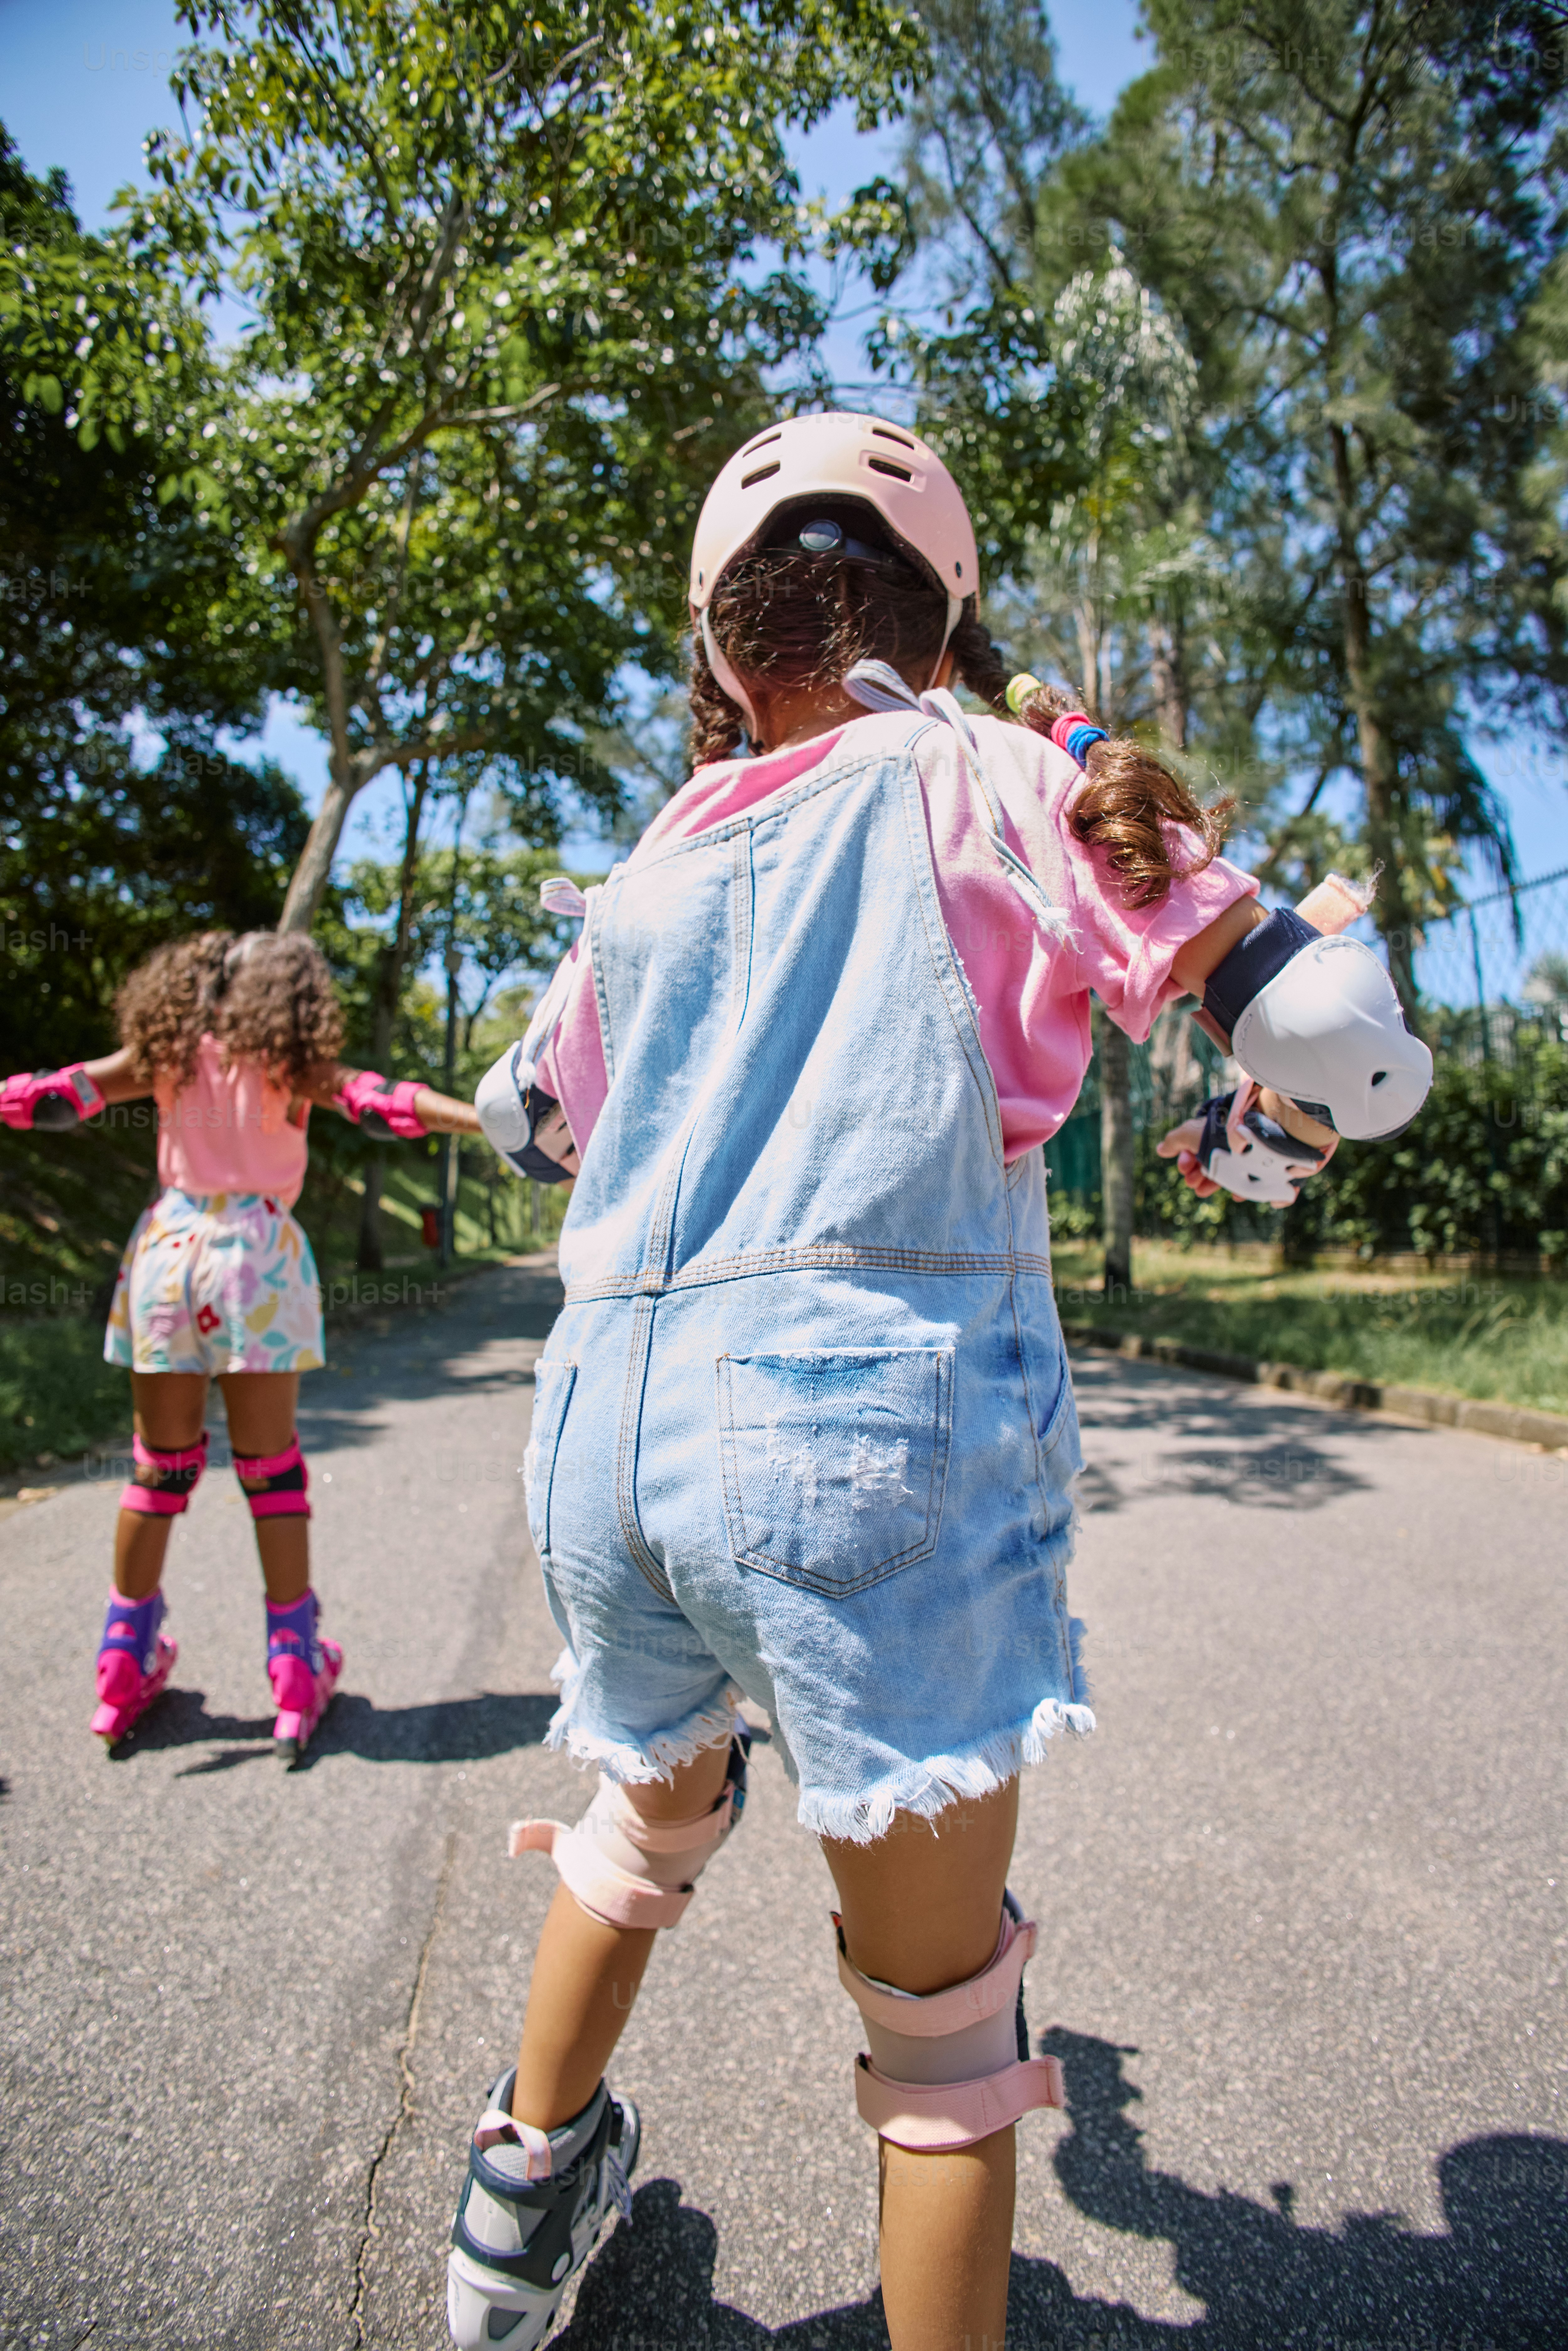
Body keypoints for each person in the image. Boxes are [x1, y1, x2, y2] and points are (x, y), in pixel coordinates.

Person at [455, 412, 1432, 2351]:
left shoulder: (663, 842)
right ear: (951, 615)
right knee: (937, 2027)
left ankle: (510, 2221)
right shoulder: (991, 775)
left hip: (602, 1452)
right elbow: (1345, 1051)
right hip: (849, 1463)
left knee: (640, 1822)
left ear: (724, 652)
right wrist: (1273, 1101)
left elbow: (519, 1114)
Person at [0, 928, 482, 1761]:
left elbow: (54, 1095)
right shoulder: (291, 1066)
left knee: (160, 1468)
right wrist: (483, 1119)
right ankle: (295, 1670)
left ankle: (121, 1663)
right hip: (257, 1261)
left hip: (168, 1255)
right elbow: (383, 1100)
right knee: (271, 1473)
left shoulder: (164, 1053)